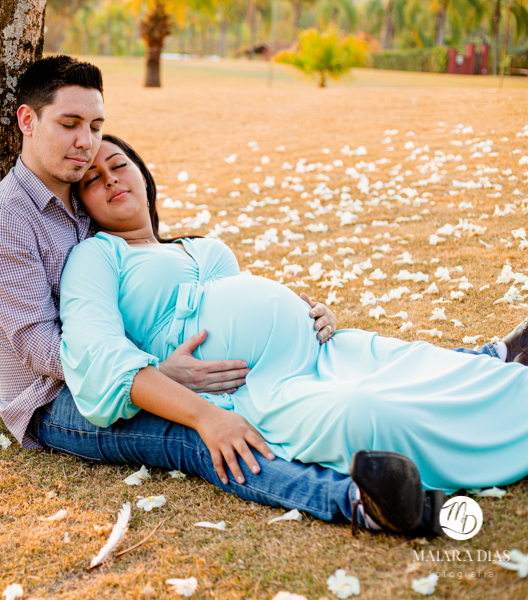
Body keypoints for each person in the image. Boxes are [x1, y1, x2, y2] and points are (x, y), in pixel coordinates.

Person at [0, 55, 473, 536]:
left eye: (94, 127)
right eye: (69, 125)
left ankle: (478, 365)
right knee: (198, 433)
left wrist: (295, 312)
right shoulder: (0, 221)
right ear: (28, 121)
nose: (86, 143)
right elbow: (41, 349)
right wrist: (157, 372)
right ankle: (362, 504)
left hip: (128, 365)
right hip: (56, 400)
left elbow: (148, 274)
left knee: (307, 370)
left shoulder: (81, 197)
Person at [59, 132, 528, 505]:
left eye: (119, 166)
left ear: (142, 174)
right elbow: (96, 355)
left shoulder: (200, 247)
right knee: (364, 413)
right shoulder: (96, 256)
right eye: (92, 179)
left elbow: (242, 303)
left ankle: (507, 380)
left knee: (430, 367)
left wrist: (311, 311)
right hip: (258, 390)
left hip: (324, 348)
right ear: (82, 203)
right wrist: (162, 374)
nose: (110, 179)